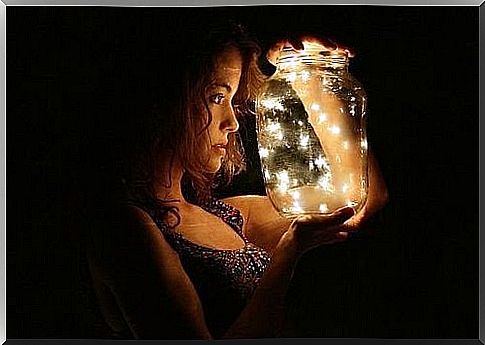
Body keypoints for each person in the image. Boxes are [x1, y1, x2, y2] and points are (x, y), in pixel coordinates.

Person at [85, 19, 388, 340]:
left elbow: (358, 199)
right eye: (217, 97)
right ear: (166, 97)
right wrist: (289, 253)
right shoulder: (124, 227)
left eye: (233, 101)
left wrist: (303, 73)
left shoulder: (233, 217)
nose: (231, 122)